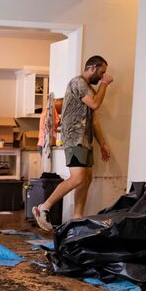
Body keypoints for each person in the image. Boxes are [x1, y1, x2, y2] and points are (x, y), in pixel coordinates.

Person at [33, 55, 113, 232]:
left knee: (87, 178)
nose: (102, 77)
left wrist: (103, 144)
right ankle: (43, 208)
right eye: (101, 72)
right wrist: (105, 84)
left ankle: (77, 217)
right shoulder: (78, 82)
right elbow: (94, 104)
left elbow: (94, 121)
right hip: (74, 138)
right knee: (77, 178)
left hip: (86, 140)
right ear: (92, 67)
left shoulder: (89, 89)